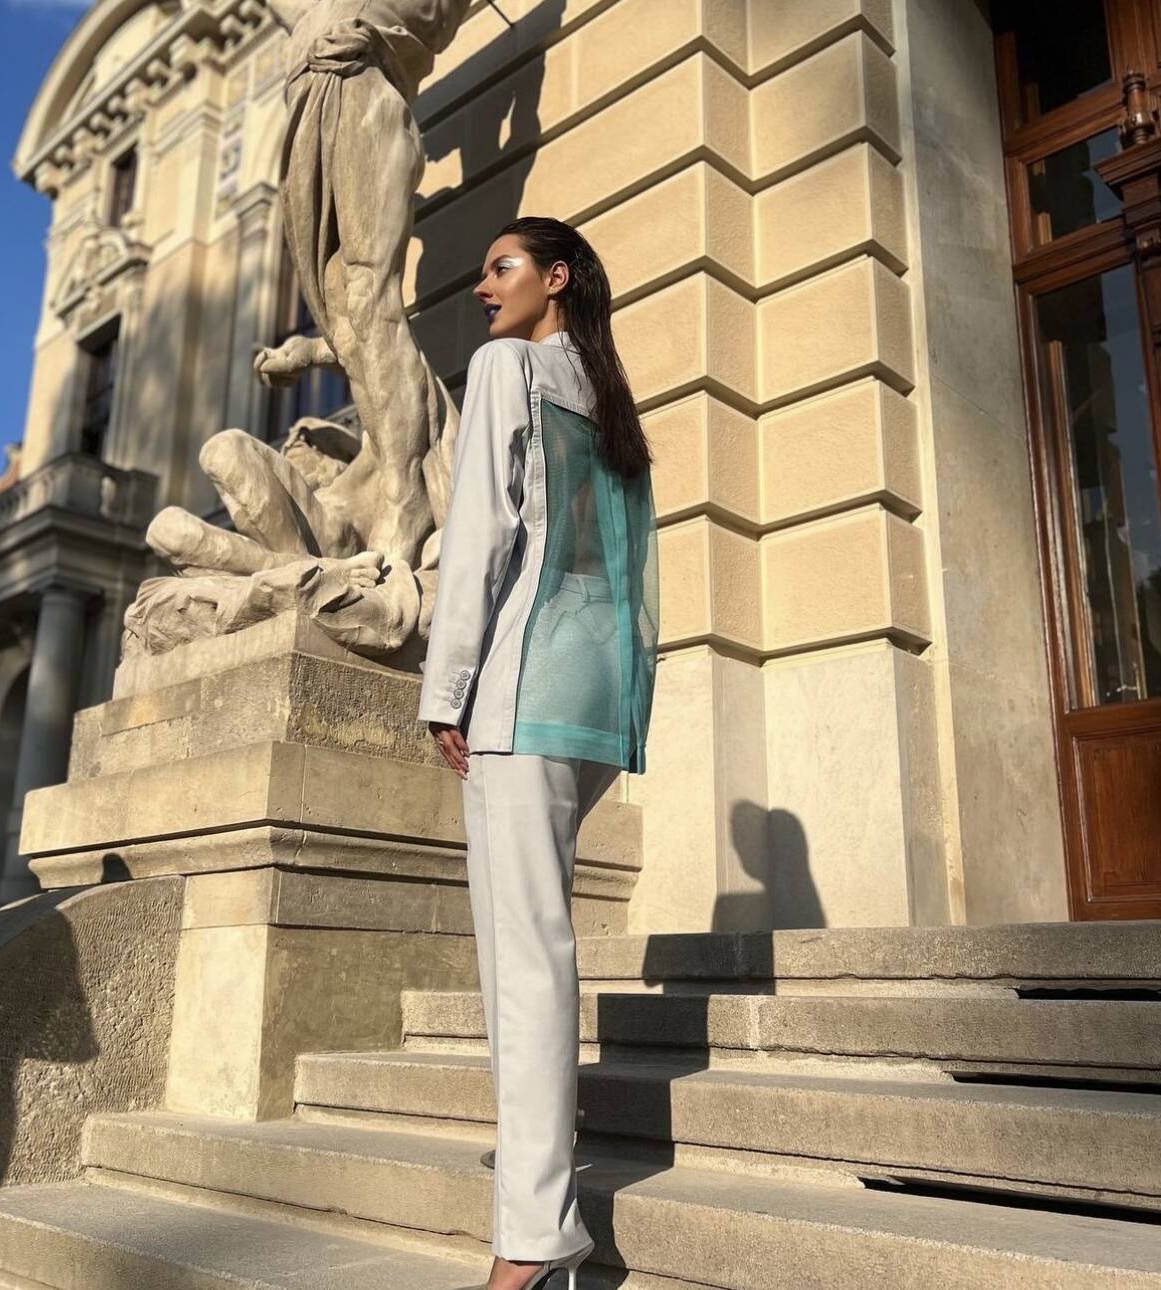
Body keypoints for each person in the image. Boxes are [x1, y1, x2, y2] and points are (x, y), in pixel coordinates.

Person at [417, 217, 660, 1290]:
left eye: (502, 267)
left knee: (523, 962)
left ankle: (534, 1233)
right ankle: (536, 1205)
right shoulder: (609, 395)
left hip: (521, 686)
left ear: (556, 278)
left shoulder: (505, 368)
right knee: (541, 949)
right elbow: (625, 572)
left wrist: (445, 687)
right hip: (599, 690)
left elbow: (481, 532)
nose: (484, 287)